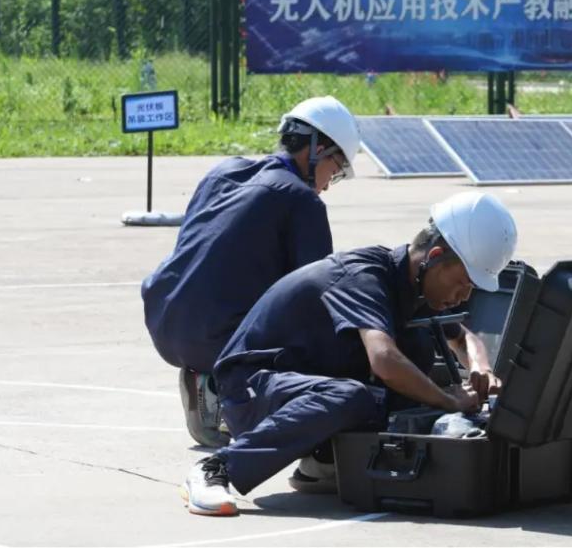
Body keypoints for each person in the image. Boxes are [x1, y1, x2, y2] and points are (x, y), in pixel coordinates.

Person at [180, 191, 518, 516]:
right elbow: (384, 361)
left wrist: (482, 369)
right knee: (361, 392)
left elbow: (463, 338)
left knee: (416, 356)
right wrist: (448, 401)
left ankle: (323, 463)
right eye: (463, 282)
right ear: (435, 257)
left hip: (295, 385)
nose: (463, 296)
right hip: (249, 389)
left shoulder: (413, 286)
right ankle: (216, 468)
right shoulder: (365, 277)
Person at [142, 96, 361, 448]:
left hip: (166, 321)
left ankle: (206, 379)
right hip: (215, 338)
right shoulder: (303, 201)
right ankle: (233, 400)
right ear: (318, 149)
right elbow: (317, 294)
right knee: (319, 337)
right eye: (335, 170)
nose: (327, 184)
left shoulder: (223, 171)